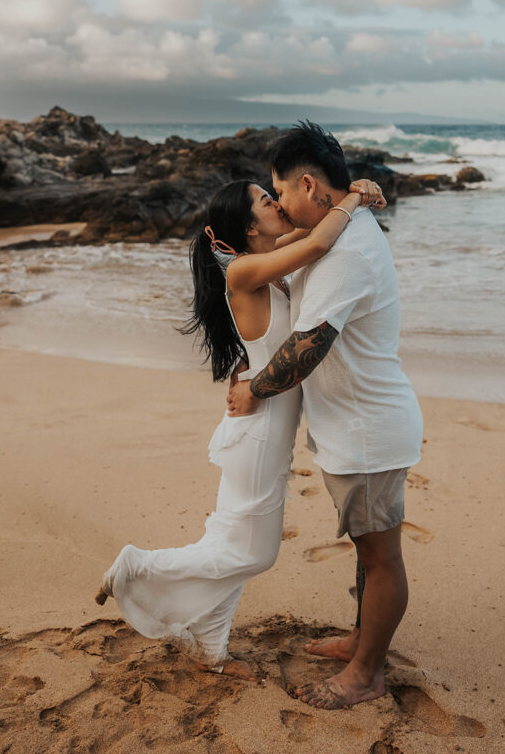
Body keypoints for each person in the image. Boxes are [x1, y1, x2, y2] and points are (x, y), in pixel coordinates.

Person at [94, 173, 384, 678]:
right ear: (250, 229)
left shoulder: (264, 261)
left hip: (266, 420)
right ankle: (136, 567)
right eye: (267, 201)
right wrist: (356, 196)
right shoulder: (244, 272)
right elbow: (319, 239)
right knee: (252, 551)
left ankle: (211, 645)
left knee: (231, 540)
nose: (277, 203)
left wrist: (349, 195)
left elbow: (312, 235)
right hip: (260, 428)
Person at [227, 122, 423, 709]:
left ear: (309, 185)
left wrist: (255, 389)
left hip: (369, 430)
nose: (279, 204)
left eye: (279, 192)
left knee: (380, 557)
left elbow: (306, 347)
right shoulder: (337, 228)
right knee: (368, 548)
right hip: (355, 426)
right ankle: (363, 637)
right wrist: (359, 192)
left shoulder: (348, 252)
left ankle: (367, 673)